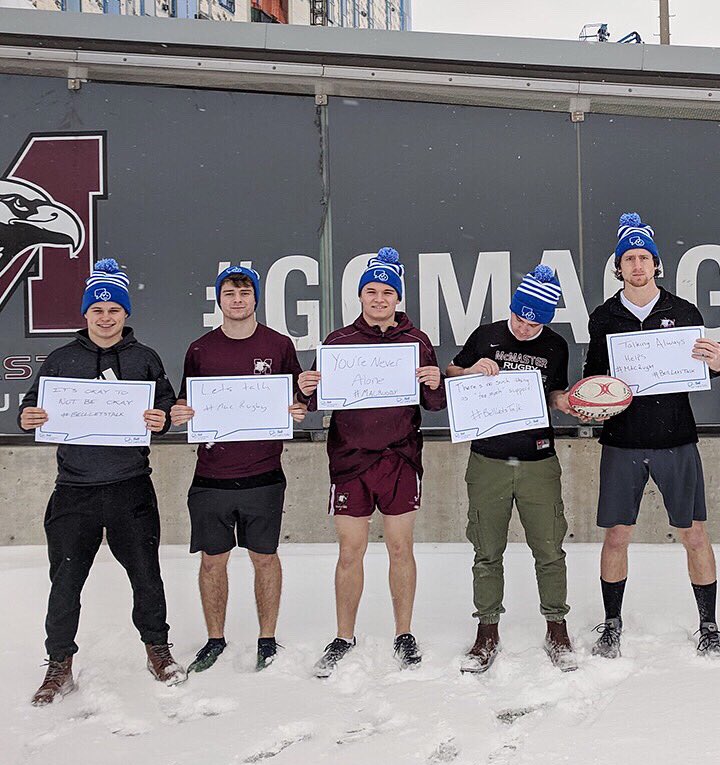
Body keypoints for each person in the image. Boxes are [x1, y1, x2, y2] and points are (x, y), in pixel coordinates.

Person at [20, 258, 183, 705]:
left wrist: (161, 418)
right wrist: (28, 415)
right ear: (86, 313)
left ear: (126, 314)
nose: (106, 317)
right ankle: (59, 664)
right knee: (65, 582)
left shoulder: (144, 358)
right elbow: (33, 407)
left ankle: (158, 649)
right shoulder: (61, 358)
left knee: (147, 576)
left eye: (114, 309)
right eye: (98, 309)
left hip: (131, 487)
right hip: (74, 490)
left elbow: (167, 408)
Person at [583, 212, 720, 658]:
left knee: (695, 535)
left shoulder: (683, 311)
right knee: (616, 537)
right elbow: (593, 377)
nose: (638, 265)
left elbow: (705, 372)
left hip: (675, 438)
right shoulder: (604, 316)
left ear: (656, 264)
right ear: (619, 268)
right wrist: (589, 398)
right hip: (622, 441)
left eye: (644, 257)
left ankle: (708, 624)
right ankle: (611, 623)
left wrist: (716, 362)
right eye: (629, 258)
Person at [297, 247, 446, 677]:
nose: (379, 299)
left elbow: (433, 404)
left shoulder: (417, 342)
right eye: (371, 291)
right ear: (360, 297)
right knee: (351, 551)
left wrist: (434, 382)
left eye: (387, 292)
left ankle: (404, 633)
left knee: (401, 548)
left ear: (398, 298)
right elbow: (311, 400)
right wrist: (307, 386)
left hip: (399, 460)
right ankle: (344, 636)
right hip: (350, 462)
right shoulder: (338, 342)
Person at [169, 265, 307, 674]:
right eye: (230, 293)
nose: (237, 299)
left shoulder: (279, 345)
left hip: (264, 473)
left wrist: (298, 407)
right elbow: (183, 402)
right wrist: (181, 412)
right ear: (219, 298)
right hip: (212, 475)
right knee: (213, 560)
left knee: (265, 558)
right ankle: (215, 639)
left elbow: (299, 396)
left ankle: (267, 638)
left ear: (256, 299)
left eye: (245, 293)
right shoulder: (200, 349)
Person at [446, 265, 581, 673]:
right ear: (511, 309)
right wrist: (471, 370)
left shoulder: (556, 345)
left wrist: (564, 403)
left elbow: (556, 390)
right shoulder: (485, 335)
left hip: (538, 459)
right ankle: (487, 630)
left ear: (548, 318)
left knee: (549, 548)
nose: (524, 328)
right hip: (488, 458)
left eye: (534, 321)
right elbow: (451, 372)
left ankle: (556, 625)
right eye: (519, 318)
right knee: (486, 550)